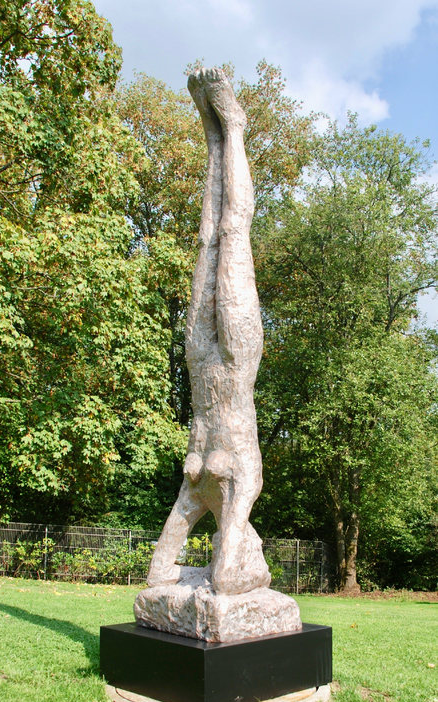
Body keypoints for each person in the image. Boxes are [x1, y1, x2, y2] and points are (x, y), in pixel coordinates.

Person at [147, 68, 270, 595]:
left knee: (210, 238)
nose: (242, 546)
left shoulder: (202, 497)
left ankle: (217, 131)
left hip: (202, 368)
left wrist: (206, 572)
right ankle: (228, 128)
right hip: (232, 363)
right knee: (229, 234)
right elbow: (222, 579)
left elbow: (161, 573)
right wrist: (236, 566)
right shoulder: (242, 492)